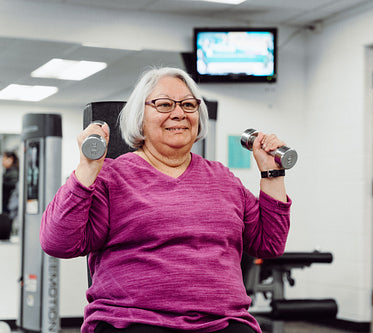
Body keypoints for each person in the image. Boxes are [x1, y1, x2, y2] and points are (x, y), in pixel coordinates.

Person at [40, 67, 291, 333]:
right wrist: (88, 167)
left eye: (188, 104)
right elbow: (58, 242)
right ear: (140, 118)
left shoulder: (224, 179)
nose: (179, 113)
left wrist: (271, 172)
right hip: (134, 321)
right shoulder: (111, 178)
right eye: (164, 104)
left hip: (222, 322)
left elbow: (269, 244)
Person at [2, 151, 19, 221]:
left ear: (10, 159)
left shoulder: (13, 173)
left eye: (4, 158)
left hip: (9, 205)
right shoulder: (8, 172)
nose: (2, 161)